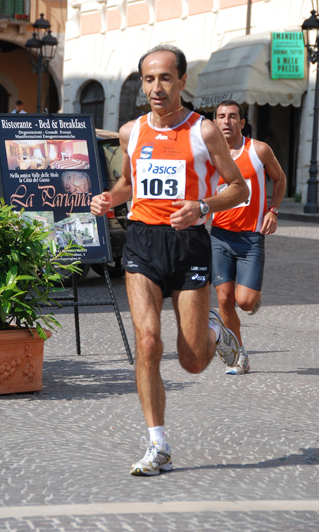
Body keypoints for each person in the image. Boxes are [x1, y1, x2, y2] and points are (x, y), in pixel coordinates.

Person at [90, 44, 248, 476]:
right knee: (147, 342)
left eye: (164, 78)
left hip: (188, 242)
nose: (156, 87)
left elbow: (240, 189)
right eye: (148, 78)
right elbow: (127, 182)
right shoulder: (131, 131)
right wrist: (109, 198)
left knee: (192, 360)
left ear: (181, 81)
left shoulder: (205, 131)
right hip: (141, 241)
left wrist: (202, 205)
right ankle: (157, 443)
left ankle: (214, 329)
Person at [211, 100, 286, 375]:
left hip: (251, 239)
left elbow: (279, 179)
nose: (227, 121)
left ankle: (254, 298)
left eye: (232, 117)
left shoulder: (259, 150)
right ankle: (240, 356)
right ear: (215, 122)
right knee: (224, 300)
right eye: (221, 117)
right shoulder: (209, 154)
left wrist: (273, 211)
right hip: (219, 237)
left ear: (242, 122)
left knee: (245, 301)